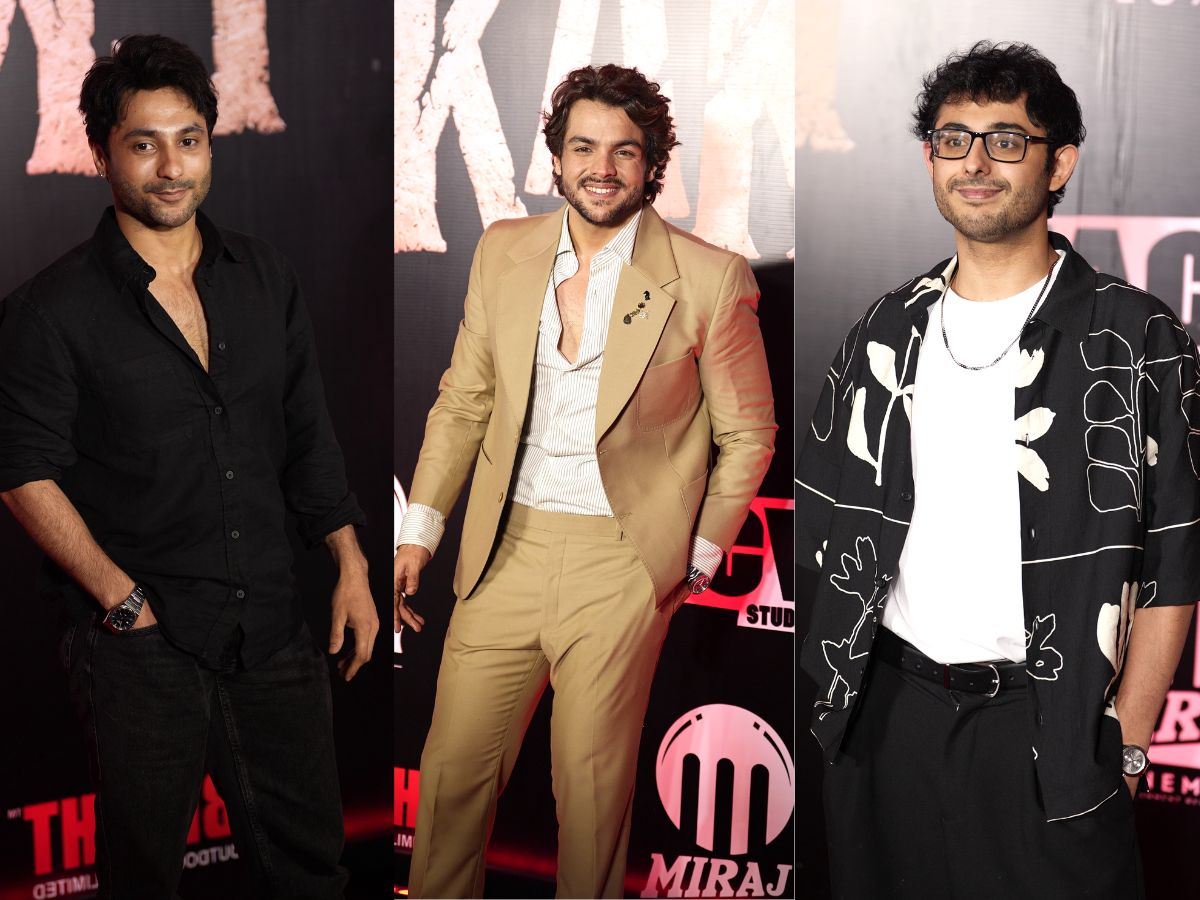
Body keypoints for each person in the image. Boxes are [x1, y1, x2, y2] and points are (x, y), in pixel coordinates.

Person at [797, 41, 1196, 899]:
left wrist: (1125, 744)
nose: (975, 163)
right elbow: (823, 525)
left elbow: (1177, 562)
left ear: (1061, 164)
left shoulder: (1136, 339)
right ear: (930, 159)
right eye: (954, 139)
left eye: (1006, 141)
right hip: (886, 716)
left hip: (1050, 728)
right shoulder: (885, 327)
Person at [0, 35, 378, 899]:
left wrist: (351, 564)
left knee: (310, 873)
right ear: (102, 153)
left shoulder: (265, 276)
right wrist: (121, 600)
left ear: (210, 142)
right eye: (144, 144)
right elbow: (21, 470)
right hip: (141, 643)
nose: (172, 168)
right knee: (144, 883)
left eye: (190, 140)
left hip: (273, 625)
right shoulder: (50, 311)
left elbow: (308, 433)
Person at [394, 63, 775, 898]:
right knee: (451, 781)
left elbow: (748, 432)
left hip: (620, 565)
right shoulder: (503, 250)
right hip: (502, 553)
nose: (602, 168)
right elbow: (464, 399)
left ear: (652, 164)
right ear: (557, 159)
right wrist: (419, 528)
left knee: (592, 799)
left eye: (624, 151)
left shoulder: (709, 277)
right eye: (583, 148)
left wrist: (694, 556)